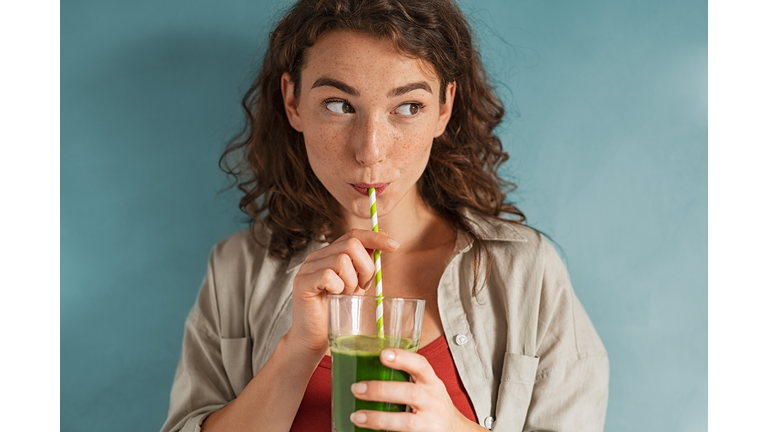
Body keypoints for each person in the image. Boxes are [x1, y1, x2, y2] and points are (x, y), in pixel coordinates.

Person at [160, 0, 609, 431]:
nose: (371, 151)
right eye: (339, 105)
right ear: (293, 101)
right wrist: (298, 350)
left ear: (444, 108)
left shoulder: (525, 271)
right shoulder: (235, 271)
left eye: (408, 107)